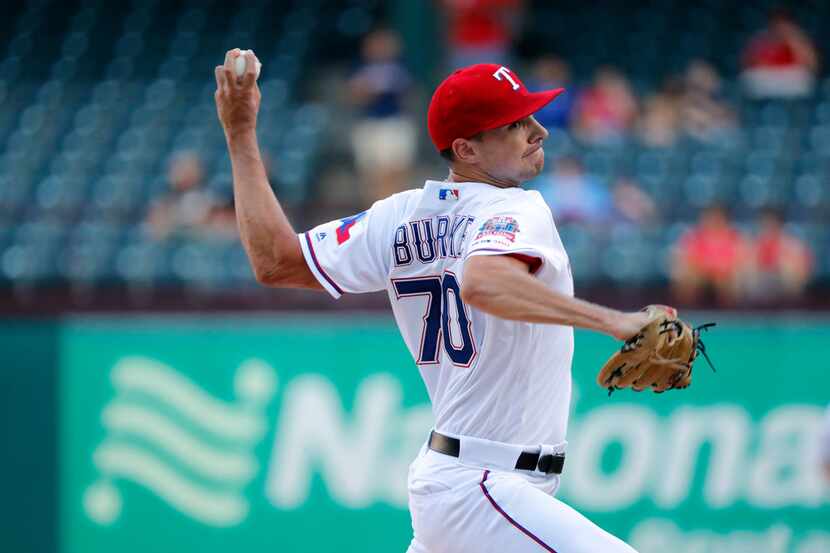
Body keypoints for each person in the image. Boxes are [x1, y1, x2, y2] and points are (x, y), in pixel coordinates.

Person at [216, 49, 658, 552]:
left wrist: (239, 136)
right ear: (466, 150)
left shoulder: (398, 216)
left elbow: (276, 259)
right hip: (485, 487)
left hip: (463, 486)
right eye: (514, 124)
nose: (540, 130)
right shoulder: (517, 206)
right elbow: (484, 282)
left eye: (531, 115)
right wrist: (615, 322)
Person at [348, 28, 417, 202]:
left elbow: (410, 94)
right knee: (371, 176)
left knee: (396, 172)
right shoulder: (360, 67)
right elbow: (354, 96)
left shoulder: (401, 66)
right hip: (370, 124)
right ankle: (374, 211)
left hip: (395, 123)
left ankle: (396, 212)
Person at [670, 205, 749, 307]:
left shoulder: (734, 237)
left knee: (731, 279)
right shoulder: (695, 236)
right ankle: (687, 310)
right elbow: (689, 259)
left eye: (716, 218)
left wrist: (719, 270)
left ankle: (731, 311)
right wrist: (706, 269)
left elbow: (739, 260)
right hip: (701, 273)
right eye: (709, 218)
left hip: (725, 275)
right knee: (685, 275)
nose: (712, 221)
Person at [741, 9, 819, 99]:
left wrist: (793, 41)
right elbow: (748, 64)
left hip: (791, 80)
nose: (779, 28)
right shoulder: (761, 40)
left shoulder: (798, 40)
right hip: (768, 81)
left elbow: (812, 66)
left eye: (782, 24)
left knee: (805, 79)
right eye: (776, 24)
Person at [744, 208, 813, 303]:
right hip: (760, 285)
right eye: (765, 225)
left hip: (785, 286)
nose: (768, 229)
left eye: (772, 225)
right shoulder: (753, 245)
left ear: (779, 225)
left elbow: (804, 271)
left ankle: (790, 304)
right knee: (748, 266)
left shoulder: (792, 245)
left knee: (789, 267)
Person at [145, 151, 219, 239]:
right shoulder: (166, 199)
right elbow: (156, 229)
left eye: (185, 170)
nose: (177, 174)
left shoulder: (209, 196)